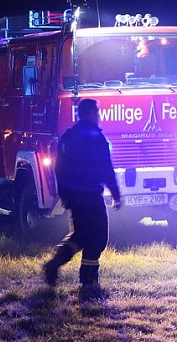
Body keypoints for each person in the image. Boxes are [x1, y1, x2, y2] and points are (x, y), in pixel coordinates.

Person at [44, 98, 122, 289]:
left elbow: (58, 167)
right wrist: (116, 194)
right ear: (91, 114)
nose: (98, 116)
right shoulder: (95, 136)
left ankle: (56, 266)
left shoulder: (69, 136)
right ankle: (88, 279)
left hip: (74, 195)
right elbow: (106, 167)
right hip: (91, 194)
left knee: (81, 235)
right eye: (97, 112)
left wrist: (64, 194)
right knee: (99, 237)